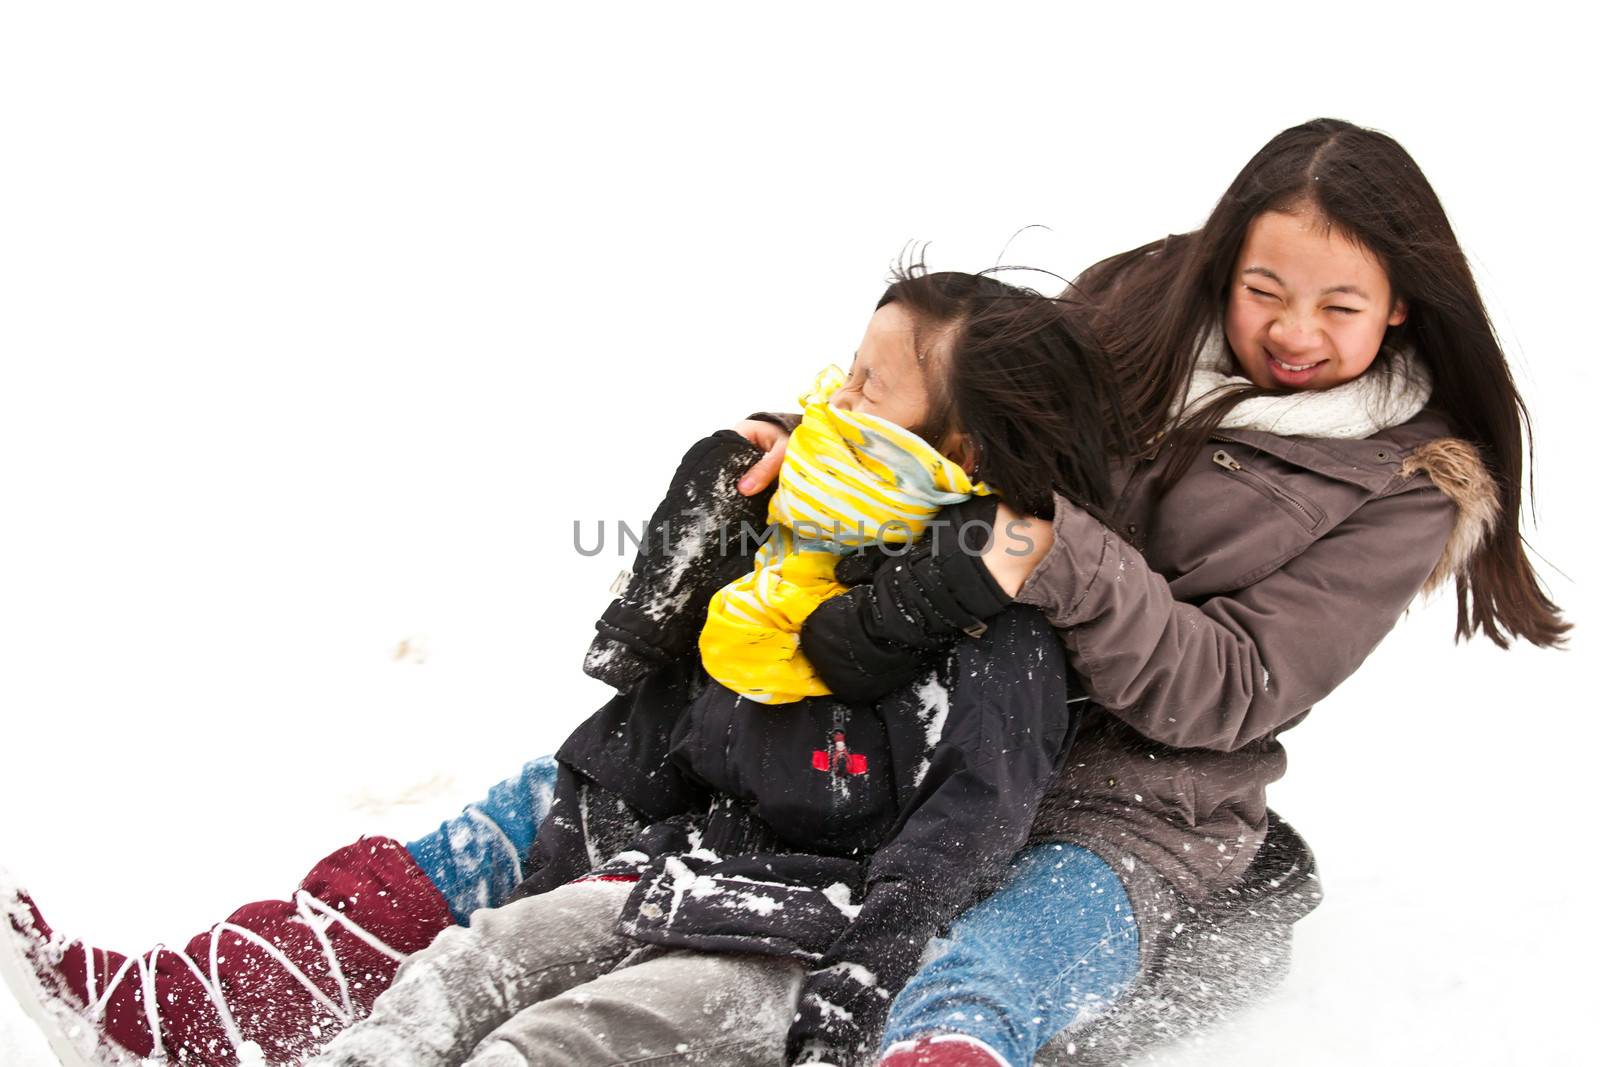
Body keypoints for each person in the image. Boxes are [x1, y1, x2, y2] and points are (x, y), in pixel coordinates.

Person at [1, 117, 1568, 1067]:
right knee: (541, 808)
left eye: (1341, 307)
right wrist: (817, 468)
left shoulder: (1400, 485)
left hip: (1123, 802)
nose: (1294, 327)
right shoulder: (1142, 310)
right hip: (905, 711)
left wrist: (1044, 552)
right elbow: (964, 418)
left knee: (985, 961)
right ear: (1228, 258)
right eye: (1268, 287)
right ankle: (224, 994)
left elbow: (1229, 686)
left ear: (1406, 304)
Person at [303, 269, 1124, 1067]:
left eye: (869, 392)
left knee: (552, 1044)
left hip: (802, 936)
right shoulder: (785, 568)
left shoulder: (995, 637)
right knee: (460, 971)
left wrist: (860, 980)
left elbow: (963, 835)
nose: (832, 406)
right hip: (675, 870)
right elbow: (672, 742)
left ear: (959, 450)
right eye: (848, 374)